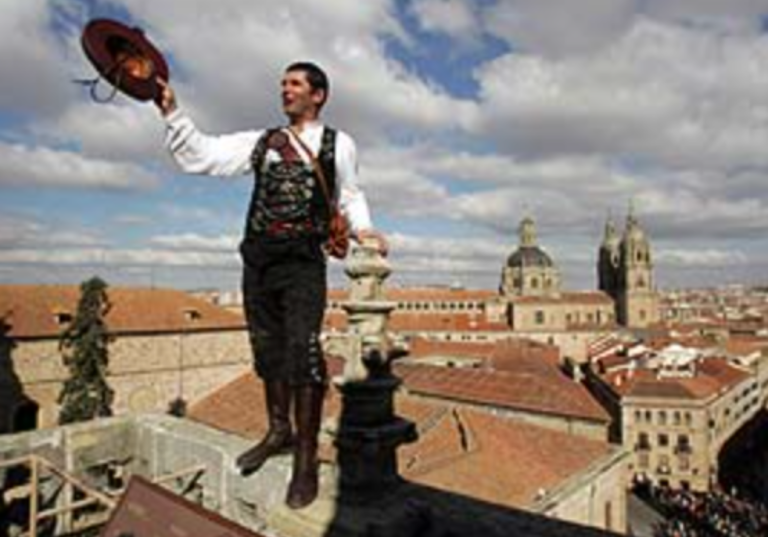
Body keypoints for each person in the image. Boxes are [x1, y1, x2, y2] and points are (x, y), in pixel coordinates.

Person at [155, 62, 386, 509]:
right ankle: (278, 431)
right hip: (258, 260)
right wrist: (172, 112)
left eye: (295, 83)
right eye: (282, 83)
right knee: (267, 350)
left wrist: (365, 229)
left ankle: (305, 455)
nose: (285, 90)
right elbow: (202, 155)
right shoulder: (260, 142)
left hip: (303, 263)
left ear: (318, 95)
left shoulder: (340, 144)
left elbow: (350, 194)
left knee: (304, 353)